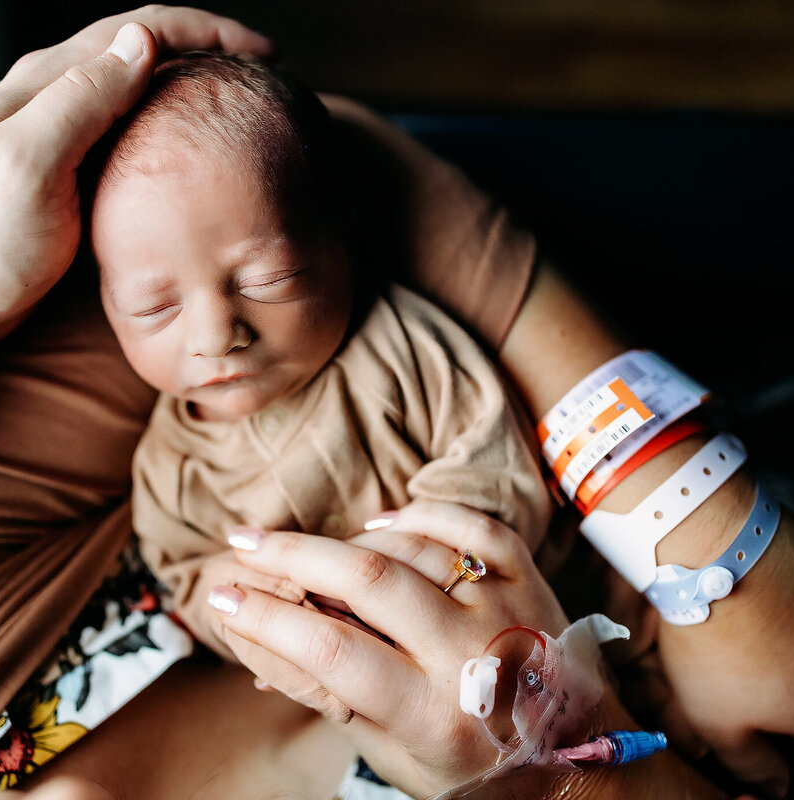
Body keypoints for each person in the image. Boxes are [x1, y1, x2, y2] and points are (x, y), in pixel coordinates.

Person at [0, 6, 794, 800]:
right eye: (161, 313)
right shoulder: (175, 431)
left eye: (257, 291)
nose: (214, 338)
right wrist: (564, 765)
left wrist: (693, 521)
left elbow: (315, 170)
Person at [88, 51, 550, 678]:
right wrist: (228, 598)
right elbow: (187, 579)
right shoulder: (173, 468)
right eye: (153, 306)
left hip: (529, 629)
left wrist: (411, 567)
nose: (216, 336)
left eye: (267, 279)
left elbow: (500, 469)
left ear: (343, 239)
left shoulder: (398, 348)